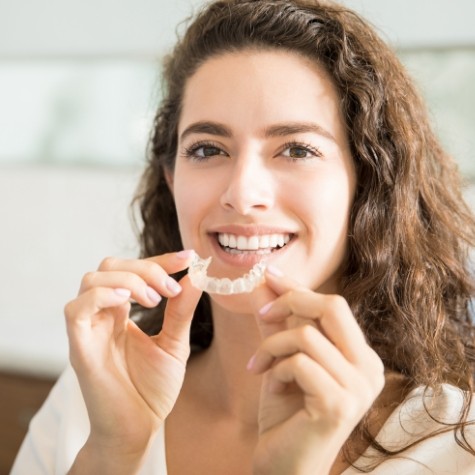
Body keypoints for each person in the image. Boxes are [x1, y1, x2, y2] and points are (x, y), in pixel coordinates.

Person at [11, 0, 475, 473]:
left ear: (368, 183)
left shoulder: (453, 443)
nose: (241, 193)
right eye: (208, 148)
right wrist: (113, 452)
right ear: (171, 180)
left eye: (296, 149)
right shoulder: (89, 400)